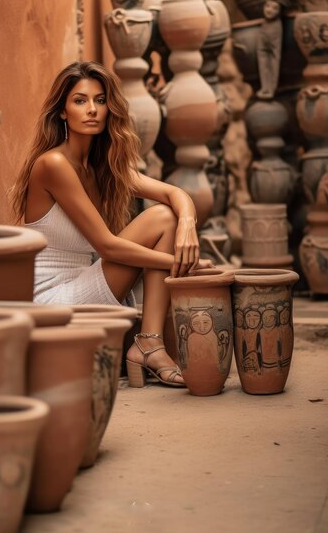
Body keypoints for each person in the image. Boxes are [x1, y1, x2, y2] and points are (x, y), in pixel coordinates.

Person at [11, 60, 213, 388]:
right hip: (51, 299)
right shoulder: (53, 164)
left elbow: (174, 193)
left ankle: (149, 342)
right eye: (80, 101)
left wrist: (188, 224)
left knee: (168, 216)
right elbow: (107, 246)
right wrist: (184, 263)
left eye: (100, 100)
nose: (92, 109)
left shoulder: (102, 166)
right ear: (62, 111)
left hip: (83, 281)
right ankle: (149, 344)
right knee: (161, 219)